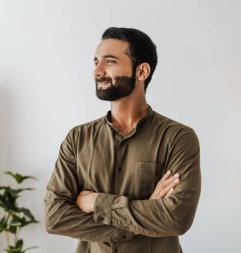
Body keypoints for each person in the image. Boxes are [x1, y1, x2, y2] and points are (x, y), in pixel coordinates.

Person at [45, 27, 201, 253]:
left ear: (142, 71)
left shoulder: (178, 138)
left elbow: (176, 218)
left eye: (109, 62)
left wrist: (96, 203)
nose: (98, 71)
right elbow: (55, 217)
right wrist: (136, 224)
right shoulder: (77, 139)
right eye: (96, 61)